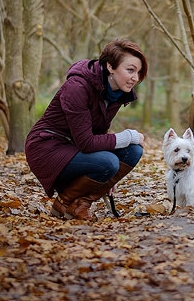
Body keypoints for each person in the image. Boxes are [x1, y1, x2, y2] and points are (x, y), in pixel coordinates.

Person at [25, 39, 148, 220]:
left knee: (133, 150)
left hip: (74, 146)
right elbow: (87, 143)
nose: (135, 78)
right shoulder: (77, 86)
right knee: (110, 160)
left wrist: (106, 179)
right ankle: (64, 202)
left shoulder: (116, 93)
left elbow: (98, 133)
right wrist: (127, 136)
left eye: (138, 72)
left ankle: (80, 205)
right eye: (130, 70)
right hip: (47, 147)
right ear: (110, 66)